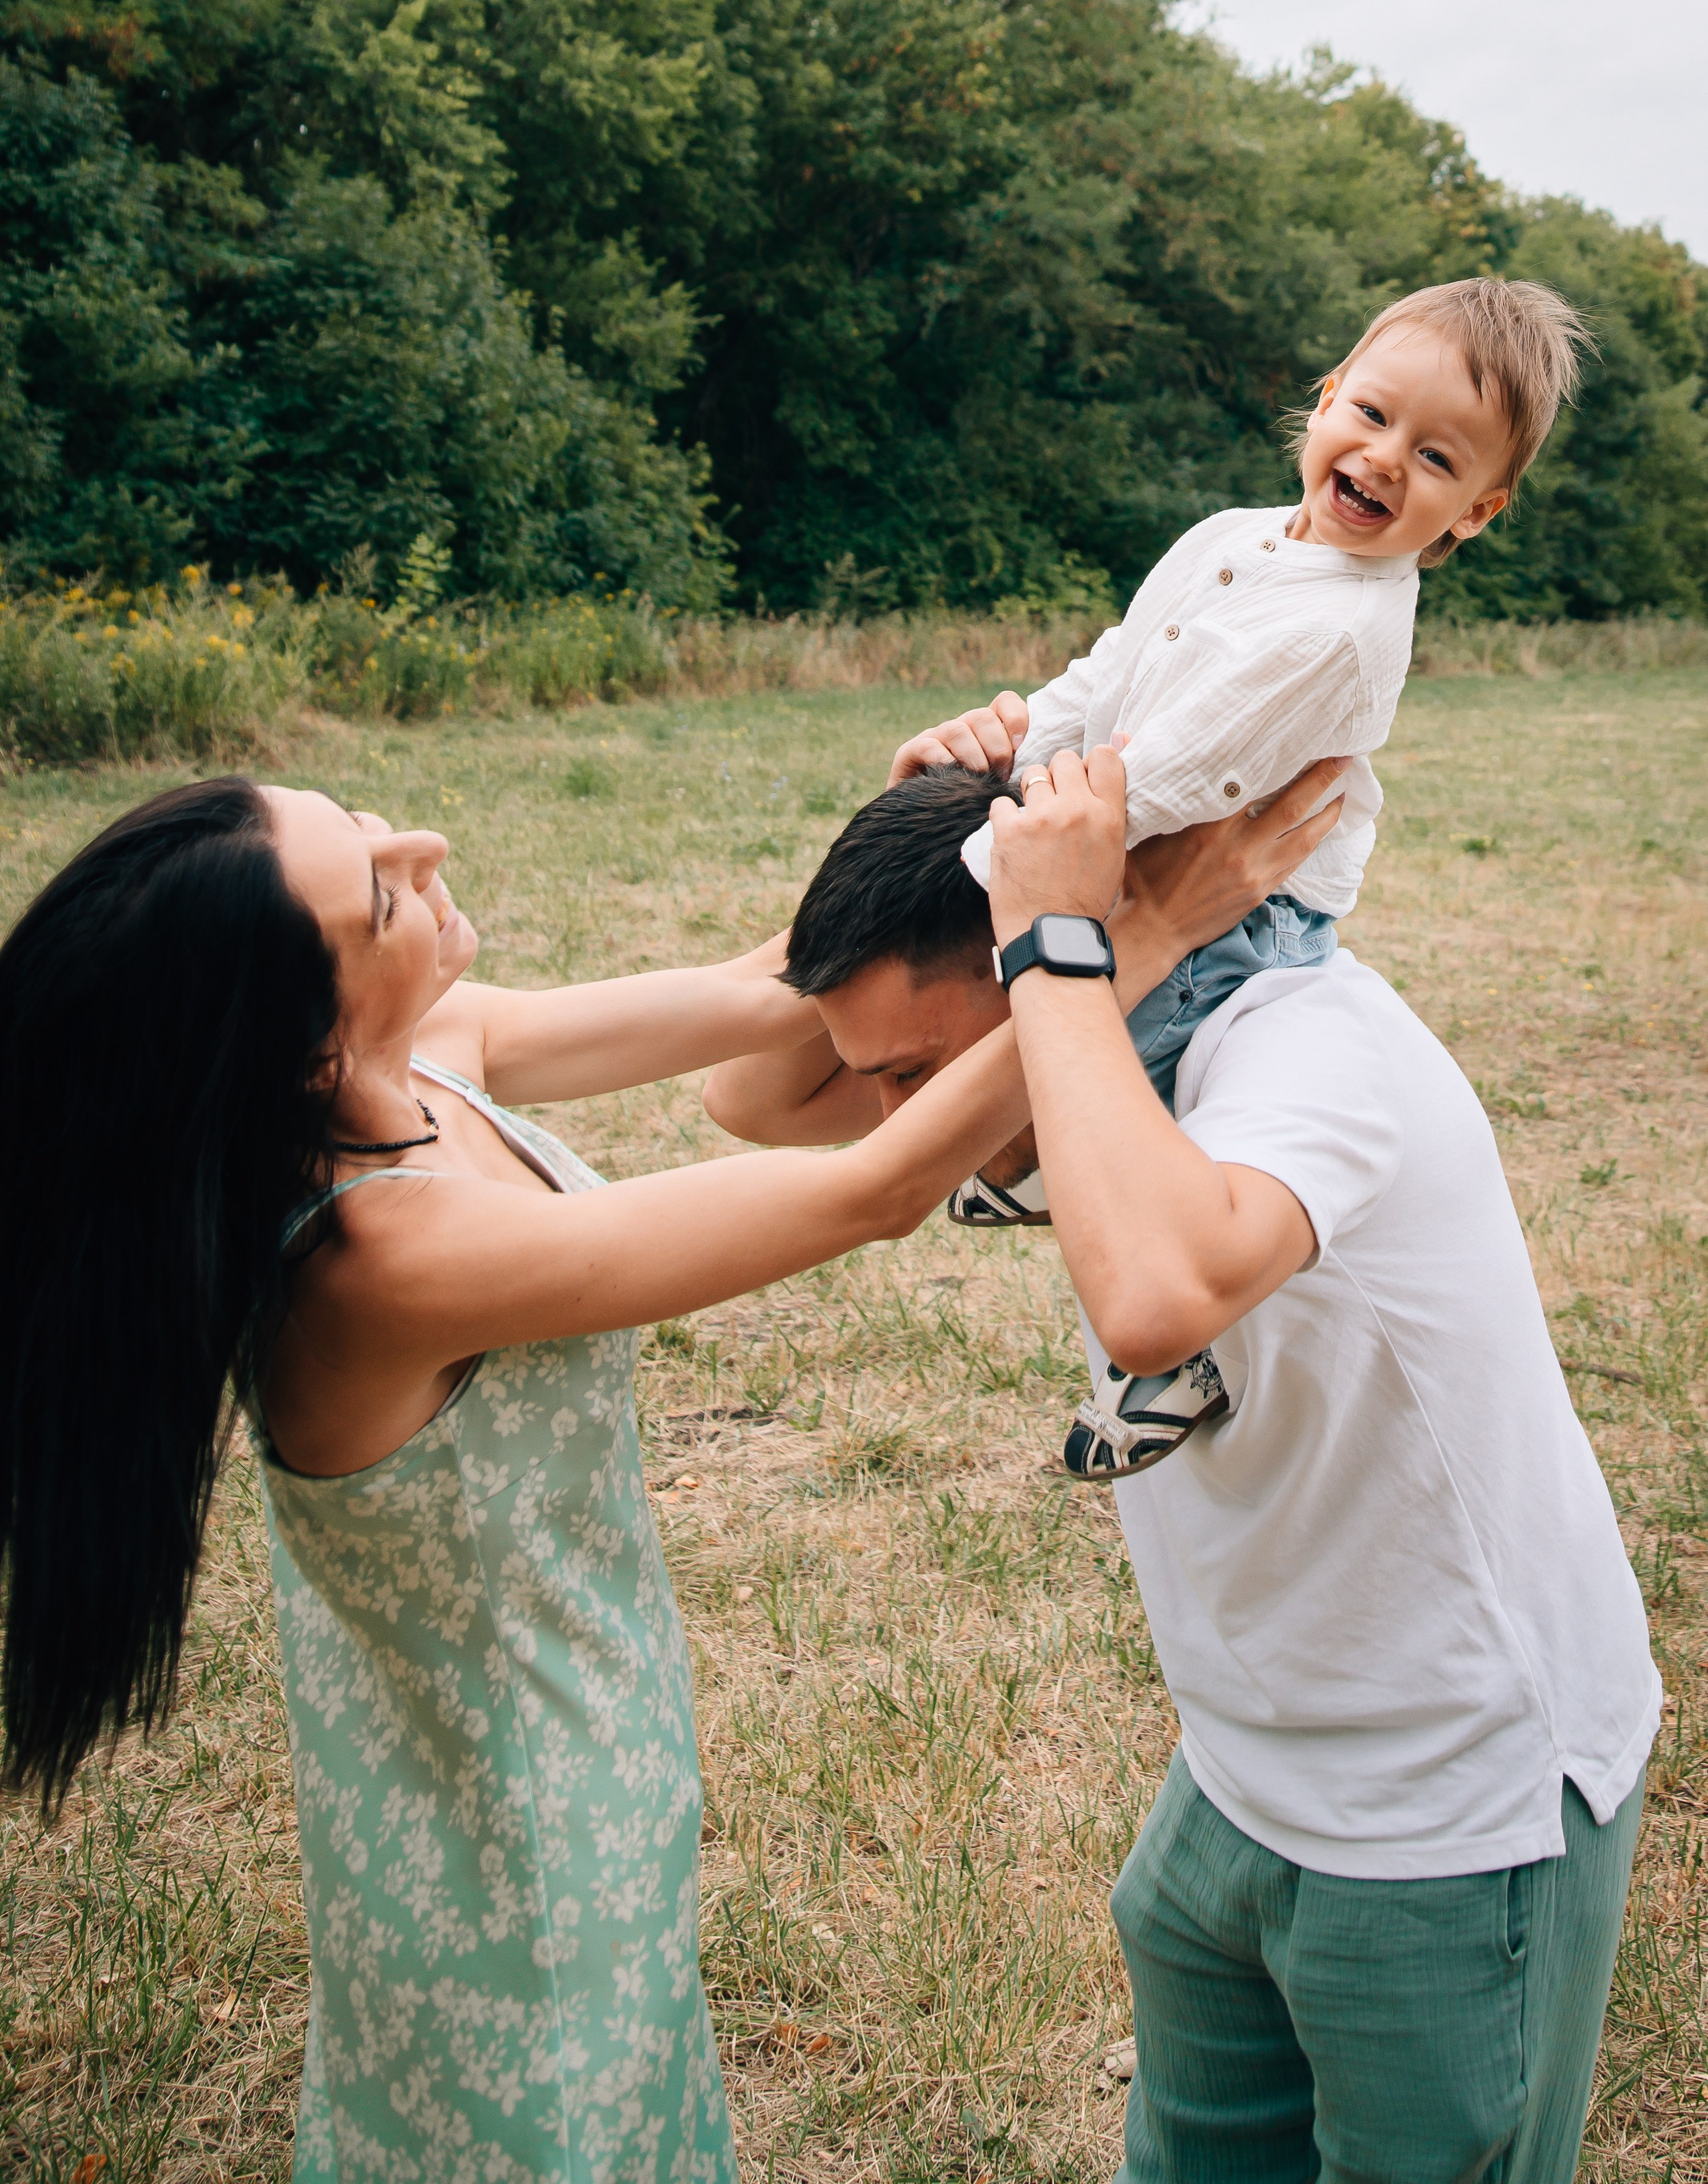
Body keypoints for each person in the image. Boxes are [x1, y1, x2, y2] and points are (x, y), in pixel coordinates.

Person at [0, 768, 1309, 2181]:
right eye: (378, 886)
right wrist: (1131, 941)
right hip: (502, 1828)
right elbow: (865, 1192)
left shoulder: (425, 1050)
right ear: (303, 1042)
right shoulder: (372, 1267)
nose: (423, 842)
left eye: (362, 819)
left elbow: (777, 993)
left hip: (587, 1737)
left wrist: (939, 834)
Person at [707, 749, 1659, 2184]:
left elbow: (1153, 1295)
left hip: (1447, 1813)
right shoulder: (1094, 1030)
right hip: (1232, 1779)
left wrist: (1058, 940)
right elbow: (751, 1093)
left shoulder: (1303, 1043)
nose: (899, 1118)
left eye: (914, 1074)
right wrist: (981, 818)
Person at [893, 278, 1589, 1479]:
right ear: (1323, 402)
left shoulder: (1346, 627)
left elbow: (1173, 776)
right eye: (1370, 414)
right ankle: (1043, 1167)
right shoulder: (1232, 537)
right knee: (1065, 1007)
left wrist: (990, 861)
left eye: (1435, 458)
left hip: (1248, 910)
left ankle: (1170, 1344)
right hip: (1142, 821)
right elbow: (1116, 672)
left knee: (1144, 1058)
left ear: (1478, 510)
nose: (1383, 459)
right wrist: (1012, 758)